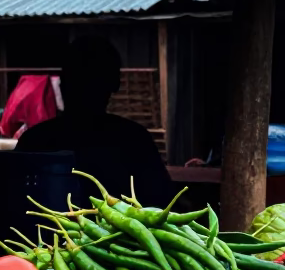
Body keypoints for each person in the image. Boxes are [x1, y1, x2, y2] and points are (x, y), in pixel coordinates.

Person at [15, 37, 173, 207]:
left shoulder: (34, 140)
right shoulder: (134, 139)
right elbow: (163, 205)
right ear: (115, 84)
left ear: (62, 84)